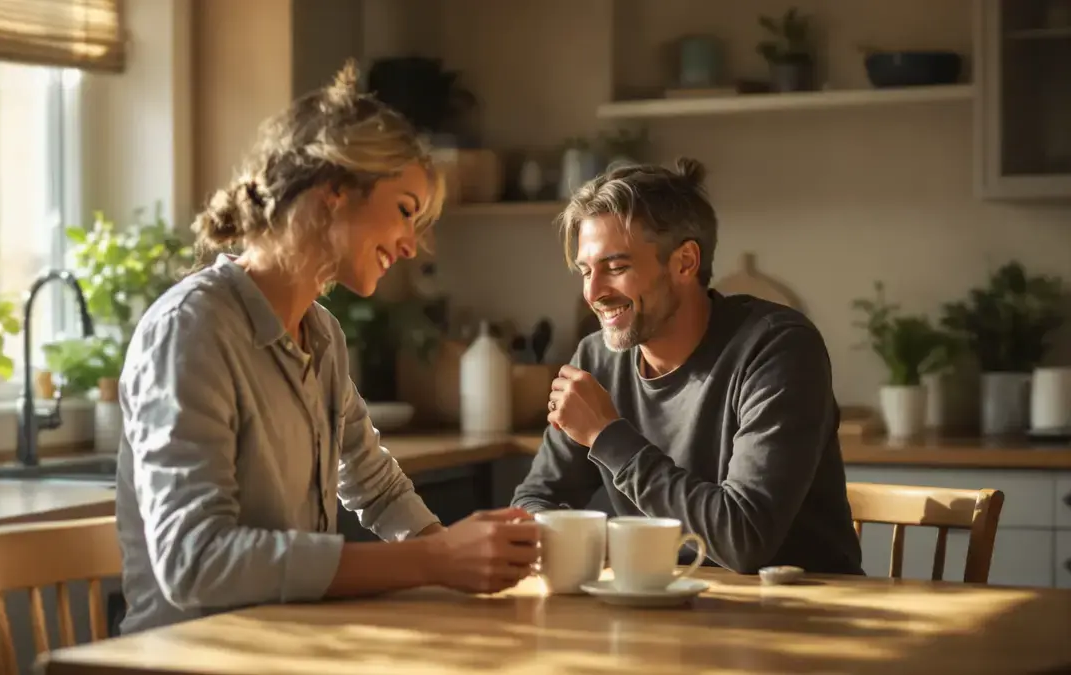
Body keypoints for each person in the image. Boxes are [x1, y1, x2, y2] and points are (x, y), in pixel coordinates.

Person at [114, 62, 539, 634]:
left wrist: (457, 556)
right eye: (405, 210)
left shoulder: (322, 334)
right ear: (333, 193)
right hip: (192, 659)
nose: (412, 245)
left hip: (288, 647)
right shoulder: (191, 330)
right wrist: (434, 560)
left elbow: (376, 486)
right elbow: (195, 561)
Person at [511, 160, 864, 576]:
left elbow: (743, 539)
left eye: (616, 268)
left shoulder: (777, 348)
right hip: (660, 609)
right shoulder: (596, 360)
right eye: (586, 271)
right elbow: (535, 500)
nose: (593, 293)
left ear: (684, 262)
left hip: (802, 617)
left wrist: (607, 437)